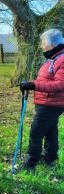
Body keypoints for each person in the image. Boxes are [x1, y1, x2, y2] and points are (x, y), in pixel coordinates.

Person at [20, 28, 64, 171]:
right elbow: (47, 79)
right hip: (48, 101)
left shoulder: (61, 59)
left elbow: (60, 84)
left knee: (36, 132)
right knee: (50, 130)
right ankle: (50, 158)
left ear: (51, 44)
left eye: (43, 43)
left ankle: (30, 163)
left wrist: (34, 85)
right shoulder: (54, 58)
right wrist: (31, 83)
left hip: (51, 103)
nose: (41, 46)